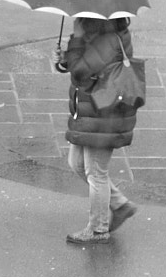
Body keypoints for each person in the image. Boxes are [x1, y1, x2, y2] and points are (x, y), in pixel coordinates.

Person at [55, 13, 144, 245]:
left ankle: (98, 229)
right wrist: (63, 59)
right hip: (90, 112)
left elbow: (81, 71)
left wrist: (75, 41)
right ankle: (120, 206)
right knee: (77, 164)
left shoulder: (108, 39)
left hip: (104, 114)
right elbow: (77, 66)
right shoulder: (97, 33)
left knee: (96, 172)